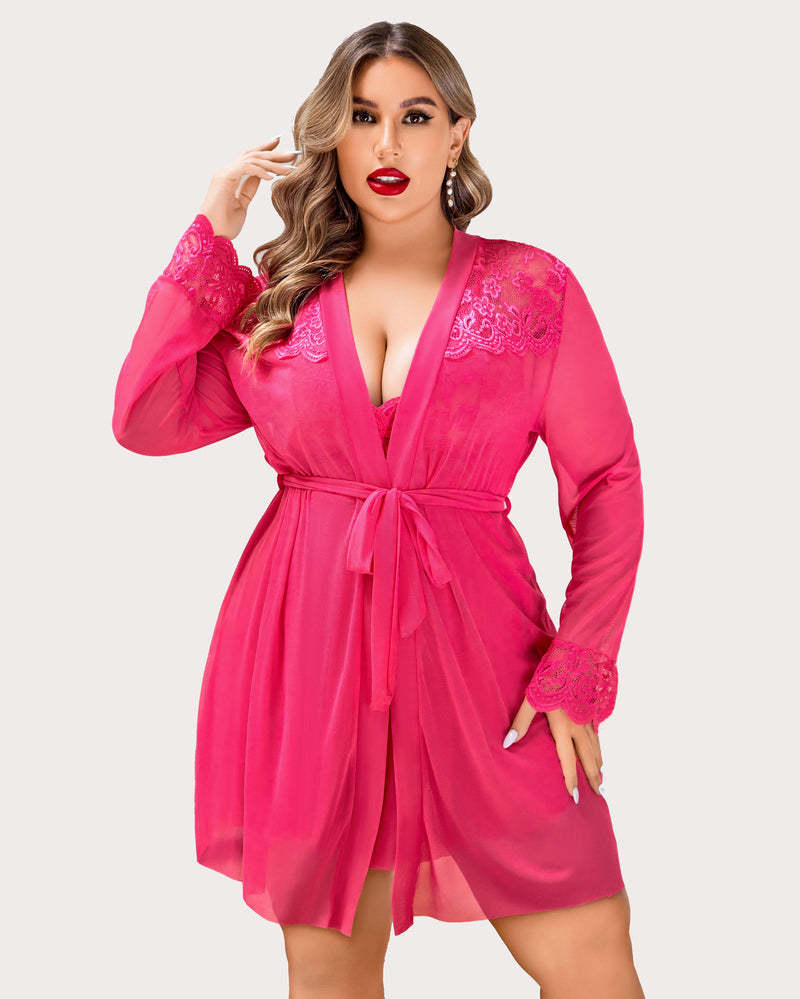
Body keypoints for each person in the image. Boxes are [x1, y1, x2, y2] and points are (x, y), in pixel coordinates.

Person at [112, 20, 646, 999]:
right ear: (333, 134)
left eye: (416, 116)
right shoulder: (278, 300)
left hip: (490, 662)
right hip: (310, 653)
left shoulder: (532, 288)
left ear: (458, 132)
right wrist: (211, 231)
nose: (388, 143)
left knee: (589, 959)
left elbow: (606, 482)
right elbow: (144, 416)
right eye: (362, 117)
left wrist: (579, 665)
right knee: (329, 972)